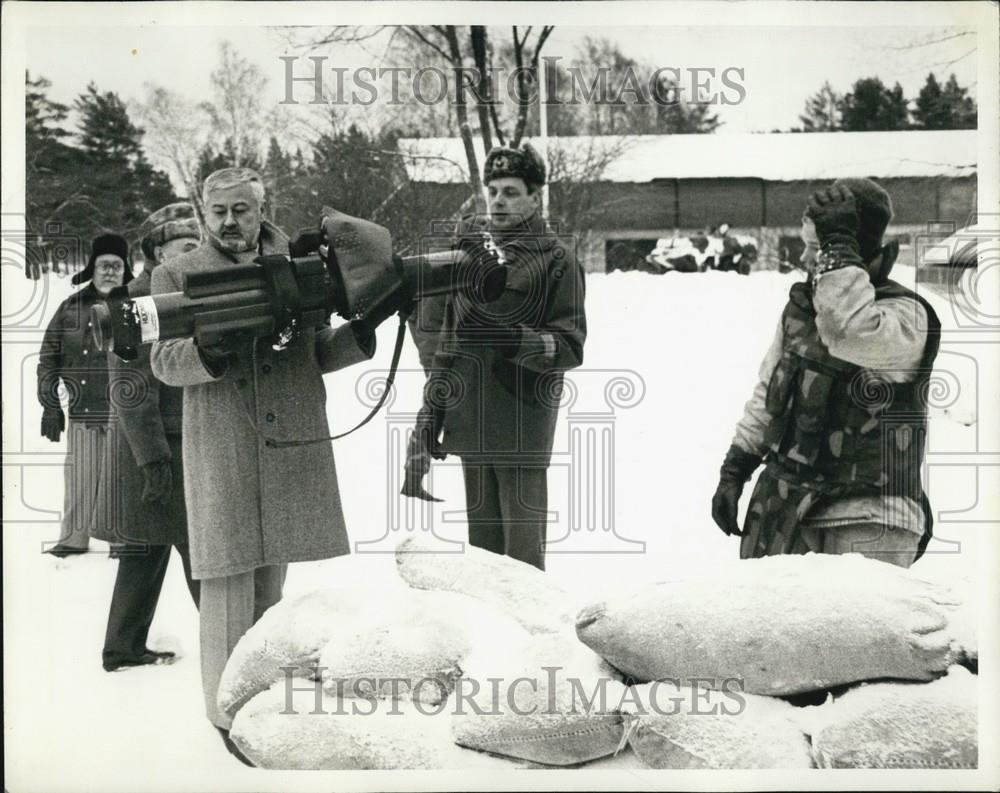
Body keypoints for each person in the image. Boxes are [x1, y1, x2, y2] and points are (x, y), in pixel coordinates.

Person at [150, 168, 398, 761]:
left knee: (271, 586)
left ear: (261, 209)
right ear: (202, 214)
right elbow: (162, 360)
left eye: (242, 209)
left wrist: (362, 332)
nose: (231, 222)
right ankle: (225, 716)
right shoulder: (176, 274)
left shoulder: (302, 264)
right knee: (227, 581)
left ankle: (263, 703)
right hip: (225, 444)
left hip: (288, 443)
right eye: (219, 212)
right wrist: (206, 352)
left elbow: (314, 352)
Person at [710, 179, 941, 569]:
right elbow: (769, 397)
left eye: (818, 249)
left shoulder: (906, 318)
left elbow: (846, 331)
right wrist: (736, 468)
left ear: (857, 253)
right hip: (786, 509)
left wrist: (837, 254)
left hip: (867, 518)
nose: (805, 259)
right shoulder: (803, 311)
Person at [403, 143, 587, 571]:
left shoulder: (557, 260)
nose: (499, 201)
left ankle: (532, 640)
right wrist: (431, 416)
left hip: (521, 428)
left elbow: (570, 346)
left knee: (522, 568)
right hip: (472, 427)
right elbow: (444, 347)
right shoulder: (467, 259)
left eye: (511, 191)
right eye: (493, 190)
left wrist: (511, 340)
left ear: (535, 197)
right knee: (482, 565)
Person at [93, 204, 202, 672]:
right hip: (156, 450)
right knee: (202, 549)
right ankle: (241, 650)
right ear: (159, 250)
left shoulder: (181, 293)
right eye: (187, 247)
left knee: (146, 549)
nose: (197, 255)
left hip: (163, 446)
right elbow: (131, 391)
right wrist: (154, 461)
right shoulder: (135, 302)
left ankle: (122, 648)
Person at [38, 233, 132, 557]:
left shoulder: (136, 305)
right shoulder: (70, 307)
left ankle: (123, 541)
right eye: (104, 264)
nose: (109, 271)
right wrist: (51, 405)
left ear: (125, 270)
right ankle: (72, 540)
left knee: (121, 480)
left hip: (126, 415)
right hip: (83, 412)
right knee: (79, 478)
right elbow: (49, 357)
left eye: (116, 265)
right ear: (92, 267)